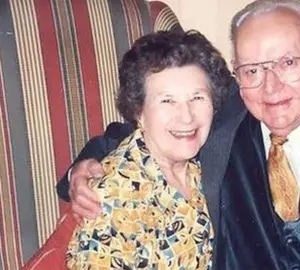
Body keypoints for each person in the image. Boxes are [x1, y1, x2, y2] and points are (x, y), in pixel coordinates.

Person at [58, 0, 300, 269]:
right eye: (252, 69)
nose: (270, 88)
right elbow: (141, 129)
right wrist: (82, 171)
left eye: (289, 63)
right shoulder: (220, 110)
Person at [65, 30, 232, 269]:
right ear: (138, 111)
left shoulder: (198, 167)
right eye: (167, 101)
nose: (186, 117)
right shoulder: (112, 199)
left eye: (197, 98)